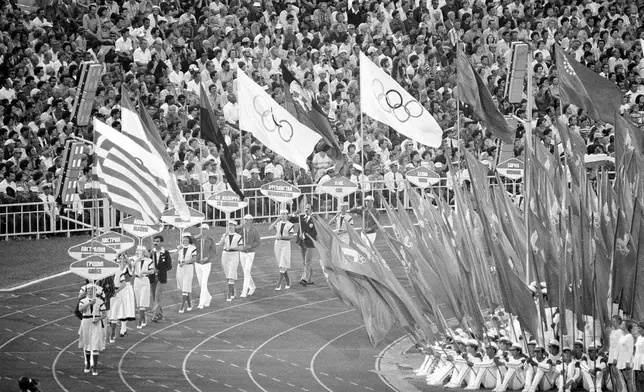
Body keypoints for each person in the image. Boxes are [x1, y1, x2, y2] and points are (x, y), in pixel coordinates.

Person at [77, 284, 106, 376]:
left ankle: (95, 366)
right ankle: (88, 364)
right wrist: (90, 303)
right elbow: (80, 309)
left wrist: (99, 318)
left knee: (95, 344)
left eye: (92, 289)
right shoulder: (83, 301)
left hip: (96, 322)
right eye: (88, 289)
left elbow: (104, 314)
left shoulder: (100, 301)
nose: (90, 291)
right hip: (86, 321)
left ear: (95, 291)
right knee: (87, 343)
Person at [108, 254, 136, 341]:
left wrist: (125, 256)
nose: (121, 259)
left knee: (125, 308)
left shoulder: (128, 266)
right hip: (116, 289)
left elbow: (131, 268)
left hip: (126, 288)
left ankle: (123, 327)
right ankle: (115, 327)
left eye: (123, 257)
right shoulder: (114, 267)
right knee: (116, 310)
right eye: (120, 258)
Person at [269, 208, 296, 290]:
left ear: (287, 215)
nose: (283, 216)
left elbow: (291, 236)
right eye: (282, 214)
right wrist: (276, 221)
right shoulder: (278, 223)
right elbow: (270, 229)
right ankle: (288, 280)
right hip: (278, 244)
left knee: (282, 263)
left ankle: (279, 284)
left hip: (285, 244)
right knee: (281, 264)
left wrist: (283, 237)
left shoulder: (290, 224)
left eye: (284, 214)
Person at [292, 203, 317, 286]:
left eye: (308, 208)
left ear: (312, 210)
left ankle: (304, 279)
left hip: (309, 243)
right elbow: (291, 219)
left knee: (307, 262)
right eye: (305, 208)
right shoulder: (301, 217)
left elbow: (314, 233)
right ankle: (310, 279)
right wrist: (295, 213)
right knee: (304, 262)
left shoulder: (314, 219)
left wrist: (304, 235)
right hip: (301, 243)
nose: (306, 210)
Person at [217, 220, 242, 301]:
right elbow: (220, 244)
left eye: (232, 225)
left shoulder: (238, 236)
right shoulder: (225, 235)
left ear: (235, 226)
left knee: (231, 273)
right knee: (227, 274)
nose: (230, 226)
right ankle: (232, 291)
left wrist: (232, 248)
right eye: (229, 225)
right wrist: (225, 236)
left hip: (234, 255)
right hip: (225, 255)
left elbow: (241, 247)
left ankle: (228, 293)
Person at [150, 235, 172, 322]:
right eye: (154, 241)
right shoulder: (151, 252)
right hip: (152, 277)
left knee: (158, 296)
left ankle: (155, 315)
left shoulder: (165, 253)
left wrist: (160, 270)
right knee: (154, 297)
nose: (155, 243)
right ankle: (159, 314)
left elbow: (169, 266)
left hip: (161, 278)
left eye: (157, 241)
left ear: (161, 242)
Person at [238, 214, 260, 297]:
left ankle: (244, 291)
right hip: (242, 252)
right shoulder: (241, 229)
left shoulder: (255, 230)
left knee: (247, 270)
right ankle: (252, 287)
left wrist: (250, 246)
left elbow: (258, 242)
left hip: (250, 253)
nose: (246, 221)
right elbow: (234, 231)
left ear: (251, 220)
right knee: (245, 271)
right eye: (245, 219)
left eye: (247, 220)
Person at [195, 223, 216, 309]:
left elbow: (214, 251)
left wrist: (207, 258)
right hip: (197, 263)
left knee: (204, 283)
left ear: (207, 230)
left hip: (206, 264)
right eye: (202, 229)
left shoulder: (211, 240)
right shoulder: (197, 240)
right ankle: (208, 297)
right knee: (201, 284)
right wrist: (198, 236)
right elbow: (190, 240)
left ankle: (201, 303)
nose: (203, 230)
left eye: (204, 229)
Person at [133, 246, 154, 329]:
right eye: (137, 250)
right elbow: (131, 268)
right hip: (137, 280)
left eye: (140, 251)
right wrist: (137, 260)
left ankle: (140, 322)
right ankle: (144, 319)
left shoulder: (149, 261)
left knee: (142, 301)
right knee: (139, 302)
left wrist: (145, 271)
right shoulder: (134, 259)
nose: (138, 252)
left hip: (145, 280)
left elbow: (152, 271)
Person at [176, 232, 197, 313]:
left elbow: (194, 259)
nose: (184, 239)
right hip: (180, 268)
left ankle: (182, 306)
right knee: (183, 286)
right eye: (183, 238)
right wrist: (178, 249)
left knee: (186, 285)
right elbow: (173, 257)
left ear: (189, 239)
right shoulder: (180, 247)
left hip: (188, 267)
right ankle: (189, 304)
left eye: (186, 238)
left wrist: (184, 263)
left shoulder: (192, 248)